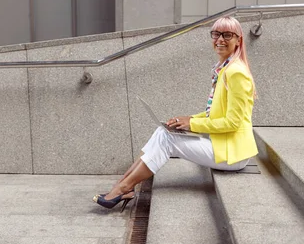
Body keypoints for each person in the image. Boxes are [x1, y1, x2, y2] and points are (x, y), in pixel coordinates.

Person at [93, 16, 258, 211]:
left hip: (233, 154)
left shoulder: (235, 72)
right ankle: (123, 184)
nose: (220, 39)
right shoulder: (225, 68)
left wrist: (192, 125)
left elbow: (233, 123)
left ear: (238, 40)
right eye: (216, 34)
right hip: (222, 144)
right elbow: (215, 112)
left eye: (227, 35)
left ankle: (124, 187)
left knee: (168, 140)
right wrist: (187, 119)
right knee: (164, 131)